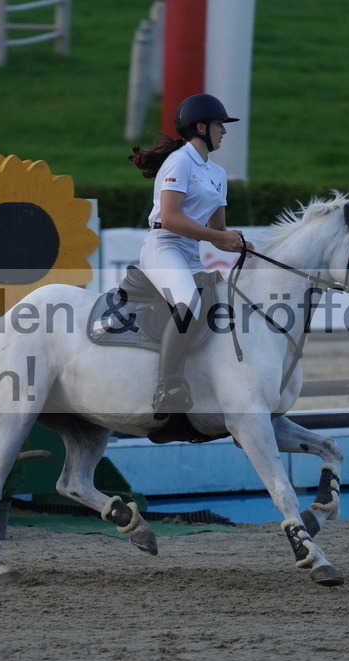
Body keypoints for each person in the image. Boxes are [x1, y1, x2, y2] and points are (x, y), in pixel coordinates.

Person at [128, 93, 253, 418]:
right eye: (219, 125)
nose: (224, 131)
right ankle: (167, 385)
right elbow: (170, 218)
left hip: (190, 251)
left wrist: (236, 242)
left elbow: (217, 230)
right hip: (164, 246)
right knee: (189, 303)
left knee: (221, 304)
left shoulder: (218, 174)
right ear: (200, 127)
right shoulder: (179, 162)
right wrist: (219, 237)